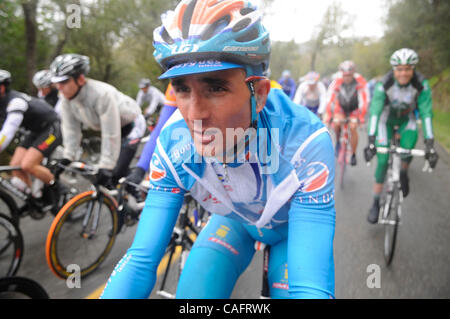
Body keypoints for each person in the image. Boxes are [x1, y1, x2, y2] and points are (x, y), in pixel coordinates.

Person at [101, 0, 335, 299]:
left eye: (216, 88)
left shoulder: (304, 143)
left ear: (259, 93)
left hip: (293, 229)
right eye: (182, 88)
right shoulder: (174, 144)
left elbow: (310, 287)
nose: (194, 114)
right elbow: (140, 260)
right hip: (236, 223)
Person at [364, 48, 439, 224]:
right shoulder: (385, 83)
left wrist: (430, 144)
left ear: (413, 69)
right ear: (393, 70)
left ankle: (404, 171)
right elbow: (375, 112)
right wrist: (371, 140)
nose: (403, 73)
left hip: (407, 119)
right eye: (399, 69)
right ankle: (375, 202)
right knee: (382, 160)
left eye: (407, 69)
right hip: (385, 119)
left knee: (407, 148)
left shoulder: (421, 84)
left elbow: (426, 113)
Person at [50, 53, 146, 186]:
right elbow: (71, 129)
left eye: (64, 81)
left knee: (115, 172)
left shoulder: (101, 95)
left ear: (81, 79)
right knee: (110, 174)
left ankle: (136, 192)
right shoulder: (65, 99)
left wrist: (106, 165)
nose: (59, 87)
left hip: (132, 124)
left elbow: (110, 132)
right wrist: (68, 156)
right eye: (56, 83)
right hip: (112, 127)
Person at [0, 69, 62, 203]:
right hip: (34, 131)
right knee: (15, 165)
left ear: (2, 87)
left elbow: (7, 132)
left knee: (28, 164)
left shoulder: (15, 102)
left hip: (51, 127)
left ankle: (59, 191)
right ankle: (33, 199)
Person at [125, 83, 177, 192]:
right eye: (142, 88)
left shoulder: (153, 92)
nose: (143, 90)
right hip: (169, 107)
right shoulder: (142, 92)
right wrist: (140, 170)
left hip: (161, 105)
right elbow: (138, 104)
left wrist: (148, 113)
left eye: (144, 88)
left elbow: (154, 104)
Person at [323, 61, 369, 166]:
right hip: (341, 107)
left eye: (349, 75)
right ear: (341, 74)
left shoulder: (360, 81)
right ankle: (338, 140)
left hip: (354, 108)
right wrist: (329, 115)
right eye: (345, 75)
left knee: (353, 127)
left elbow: (365, 101)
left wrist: (361, 117)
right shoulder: (336, 81)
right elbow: (330, 100)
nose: (347, 78)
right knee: (337, 122)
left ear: (353, 74)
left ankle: (353, 153)